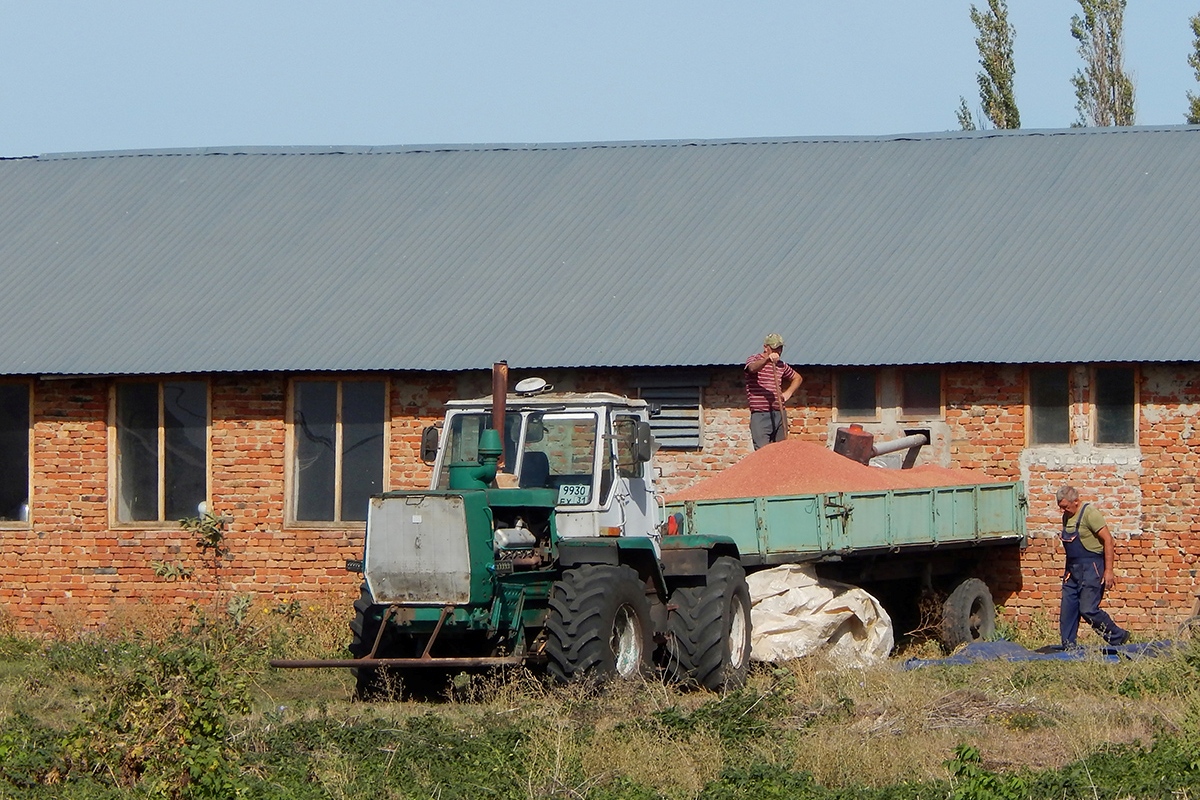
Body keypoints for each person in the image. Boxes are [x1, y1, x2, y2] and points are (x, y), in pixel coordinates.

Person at [1055, 485, 1130, 648]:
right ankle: (1068, 647)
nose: (1064, 511)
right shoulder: (1067, 517)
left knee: (1088, 609)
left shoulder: (1090, 514)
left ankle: (1118, 636)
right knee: (1068, 610)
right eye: (1061, 508)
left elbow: (1108, 541)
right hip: (1072, 570)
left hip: (1092, 567)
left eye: (1066, 507)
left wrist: (1109, 570)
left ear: (1076, 501)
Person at [745, 333, 802, 450]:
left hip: (779, 413)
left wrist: (788, 393)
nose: (778, 351)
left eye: (780, 348)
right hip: (760, 414)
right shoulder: (754, 359)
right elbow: (752, 368)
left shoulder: (781, 365)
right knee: (762, 451)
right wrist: (767, 360)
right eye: (775, 348)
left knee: (781, 450)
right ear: (766, 347)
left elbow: (797, 378)